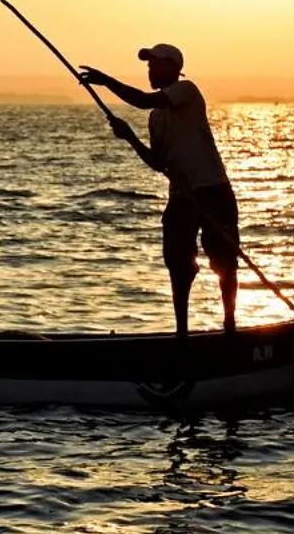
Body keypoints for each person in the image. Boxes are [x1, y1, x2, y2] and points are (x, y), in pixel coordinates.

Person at [78, 44, 239, 336]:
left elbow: (140, 100)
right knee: (178, 264)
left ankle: (230, 327)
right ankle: (181, 334)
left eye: (156, 65)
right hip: (182, 196)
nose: (150, 71)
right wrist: (130, 137)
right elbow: (158, 162)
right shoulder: (156, 117)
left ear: (174, 68)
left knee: (225, 262)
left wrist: (105, 80)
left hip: (212, 190)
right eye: (149, 66)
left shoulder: (187, 91)